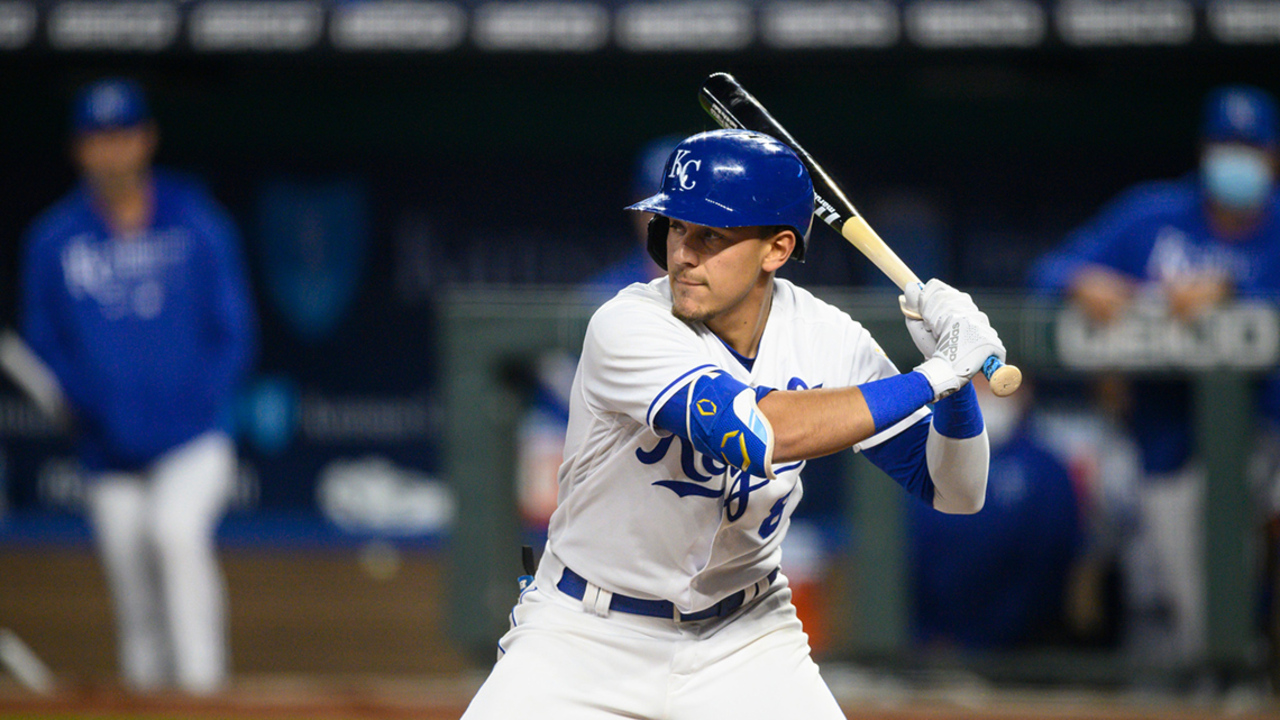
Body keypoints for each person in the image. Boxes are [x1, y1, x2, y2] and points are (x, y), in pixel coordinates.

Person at [462, 128, 1005, 718]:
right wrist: (936, 372)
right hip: (585, 635)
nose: (683, 252)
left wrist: (956, 389)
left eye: (712, 234)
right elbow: (756, 434)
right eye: (674, 226)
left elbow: (956, 490)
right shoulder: (626, 325)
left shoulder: (826, 336)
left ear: (776, 249)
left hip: (747, 640)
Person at [18, 78, 257, 694]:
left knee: (176, 538)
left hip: (192, 438)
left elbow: (232, 330)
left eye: (123, 135)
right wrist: (85, 403)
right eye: (98, 138)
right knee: (135, 601)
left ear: (145, 139)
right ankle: (149, 707)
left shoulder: (195, 220)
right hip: (107, 451)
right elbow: (43, 344)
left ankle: (206, 698)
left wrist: (194, 402)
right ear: (79, 150)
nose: (112, 151)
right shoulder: (52, 241)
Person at [1028, 85, 1280, 666]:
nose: (1236, 158)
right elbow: (1051, 269)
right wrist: (1081, 281)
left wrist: (1235, 290)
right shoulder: (1153, 214)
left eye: (1250, 146)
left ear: (1271, 156)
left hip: (1265, 433)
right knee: (1203, 620)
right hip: (1167, 441)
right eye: (1225, 144)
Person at [908, 377, 1085, 650]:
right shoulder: (916, 455)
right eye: (971, 379)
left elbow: (1051, 568)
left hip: (1021, 651)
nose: (983, 391)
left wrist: (991, 639)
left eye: (992, 377)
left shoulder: (1046, 470)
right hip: (927, 648)